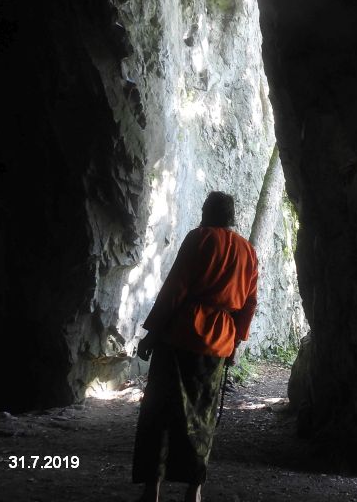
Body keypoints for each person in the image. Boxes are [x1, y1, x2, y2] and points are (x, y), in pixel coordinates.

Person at [132, 191, 259, 502]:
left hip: (180, 336)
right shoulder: (248, 251)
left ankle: (153, 490)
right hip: (219, 343)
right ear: (232, 216)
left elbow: (175, 288)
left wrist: (151, 334)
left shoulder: (199, 238)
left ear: (210, 212)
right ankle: (194, 490)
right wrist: (236, 343)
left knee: (160, 410)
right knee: (203, 413)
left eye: (204, 208)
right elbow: (249, 303)